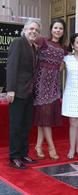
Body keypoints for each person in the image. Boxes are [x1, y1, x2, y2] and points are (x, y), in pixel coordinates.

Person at [6, 19, 41, 169]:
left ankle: (23, 154)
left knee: (26, 125)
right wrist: (11, 89)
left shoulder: (34, 47)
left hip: (29, 93)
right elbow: (12, 66)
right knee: (16, 125)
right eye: (31, 29)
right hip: (18, 92)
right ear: (25, 30)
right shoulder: (18, 42)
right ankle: (14, 157)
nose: (34, 32)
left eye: (37, 30)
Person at [33, 18, 67, 160]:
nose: (58, 30)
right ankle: (52, 147)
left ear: (63, 31)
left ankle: (38, 145)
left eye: (60, 28)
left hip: (53, 87)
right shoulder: (42, 41)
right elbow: (29, 49)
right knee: (45, 117)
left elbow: (63, 66)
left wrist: (63, 65)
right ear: (51, 29)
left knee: (43, 118)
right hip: (40, 86)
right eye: (55, 28)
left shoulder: (64, 49)